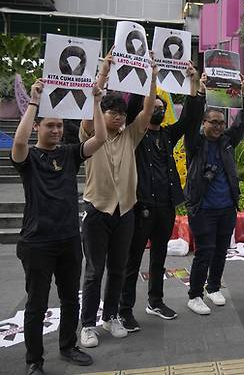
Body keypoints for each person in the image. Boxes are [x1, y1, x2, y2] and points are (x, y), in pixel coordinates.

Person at [11, 74, 107, 375]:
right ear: (37, 127)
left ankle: (68, 346)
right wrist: (35, 102)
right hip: (37, 241)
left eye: (59, 125)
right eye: (49, 125)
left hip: (68, 237)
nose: (55, 129)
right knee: (36, 305)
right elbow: (18, 142)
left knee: (69, 298)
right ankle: (34, 361)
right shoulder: (29, 158)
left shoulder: (68, 154)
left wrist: (96, 101)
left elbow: (101, 139)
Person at [79, 52, 157, 348]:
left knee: (118, 268)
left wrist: (151, 77)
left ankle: (110, 316)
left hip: (126, 212)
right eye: (114, 113)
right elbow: (91, 110)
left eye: (123, 114)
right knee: (94, 271)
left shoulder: (130, 136)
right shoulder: (91, 137)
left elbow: (147, 111)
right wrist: (103, 72)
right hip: (97, 211)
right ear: (104, 115)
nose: (120, 118)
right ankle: (87, 325)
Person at [118, 63, 201, 329]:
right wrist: (149, 78)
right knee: (132, 260)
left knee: (159, 256)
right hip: (140, 205)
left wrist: (193, 85)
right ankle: (124, 309)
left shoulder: (167, 134)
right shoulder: (135, 134)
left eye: (162, 106)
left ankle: (155, 301)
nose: (159, 108)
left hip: (165, 206)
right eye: (153, 104)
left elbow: (189, 119)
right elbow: (132, 109)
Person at [184, 73, 244, 315]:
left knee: (222, 250)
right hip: (203, 208)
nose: (218, 126)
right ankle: (194, 295)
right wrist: (200, 93)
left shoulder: (226, 142)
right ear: (204, 123)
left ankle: (213, 287)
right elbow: (189, 121)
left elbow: (241, 123)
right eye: (213, 122)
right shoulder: (195, 143)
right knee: (204, 251)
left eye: (221, 123)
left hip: (226, 208)